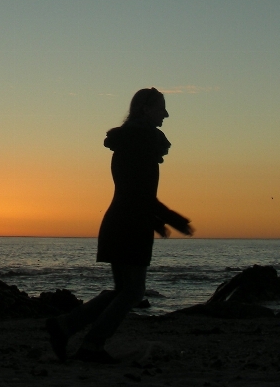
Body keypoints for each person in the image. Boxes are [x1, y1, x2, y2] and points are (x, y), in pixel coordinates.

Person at [45, 87, 194, 363]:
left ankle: (65, 326)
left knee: (123, 290)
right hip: (130, 224)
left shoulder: (130, 142)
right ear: (145, 110)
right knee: (133, 291)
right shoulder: (141, 143)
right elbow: (139, 192)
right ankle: (91, 345)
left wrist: (158, 219)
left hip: (123, 220)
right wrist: (170, 218)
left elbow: (136, 192)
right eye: (162, 107)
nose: (167, 113)